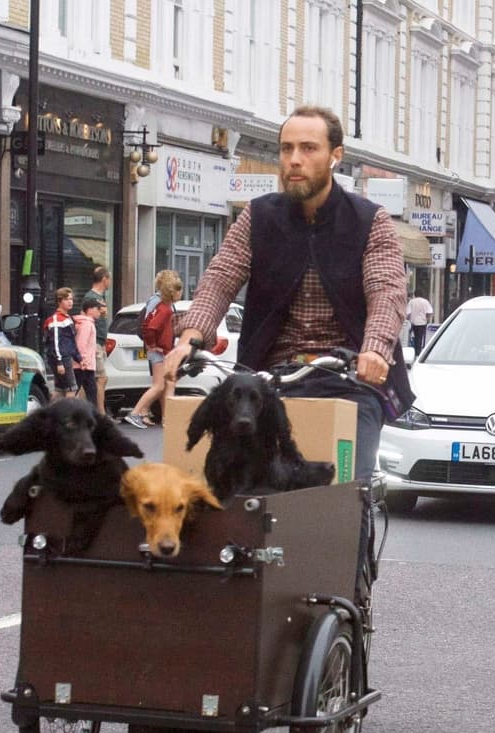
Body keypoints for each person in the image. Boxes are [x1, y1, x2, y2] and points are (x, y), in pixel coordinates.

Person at [165, 106, 412, 598]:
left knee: (345, 495)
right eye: (286, 149)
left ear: (335, 156)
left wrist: (376, 348)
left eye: (309, 149)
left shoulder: (370, 221)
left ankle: (346, 595)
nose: (294, 160)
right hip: (267, 381)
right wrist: (190, 337)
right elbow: (219, 277)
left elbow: (387, 290)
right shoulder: (258, 217)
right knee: (228, 483)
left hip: (347, 377)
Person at [124, 269, 183, 428]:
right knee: (159, 386)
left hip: (160, 350)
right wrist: (152, 345)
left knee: (162, 385)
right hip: (160, 351)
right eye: (179, 290)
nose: (181, 294)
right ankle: (136, 413)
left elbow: (147, 324)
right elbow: (150, 328)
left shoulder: (160, 305)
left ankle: (164, 418)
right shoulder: (164, 308)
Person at [84, 266, 113, 417]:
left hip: (99, 342)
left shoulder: (100, 298)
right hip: (94, 344)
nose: (110, 282)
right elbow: (87, 321)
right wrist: (93, 343)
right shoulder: (91, 298)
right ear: (104, 279)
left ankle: (84, 410)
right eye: (109, 279)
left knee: (91, 380)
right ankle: (100, 414)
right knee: (101, 378)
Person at [43, 287, 80, 399]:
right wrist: (59, 362)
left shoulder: (67, 318)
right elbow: (55, 342)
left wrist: (78, 358)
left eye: (71, 299)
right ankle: (67, 414)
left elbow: (70, 341)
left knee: (60, 389)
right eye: (66, 299)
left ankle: (48, 413)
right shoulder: (57, 319)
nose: (70, 302)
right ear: (59, 301)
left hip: (63, 356)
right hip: (62, 358)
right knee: (71, 388)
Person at [73, 296, 102, 405]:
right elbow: (81, 343)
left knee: (89, 392)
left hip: (85, 365)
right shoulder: (86, 324)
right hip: (84, 365)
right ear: (90, 310)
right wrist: (83, 360)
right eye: (98, 308)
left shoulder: (86, 323)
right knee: (89, 393)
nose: (100, 311)